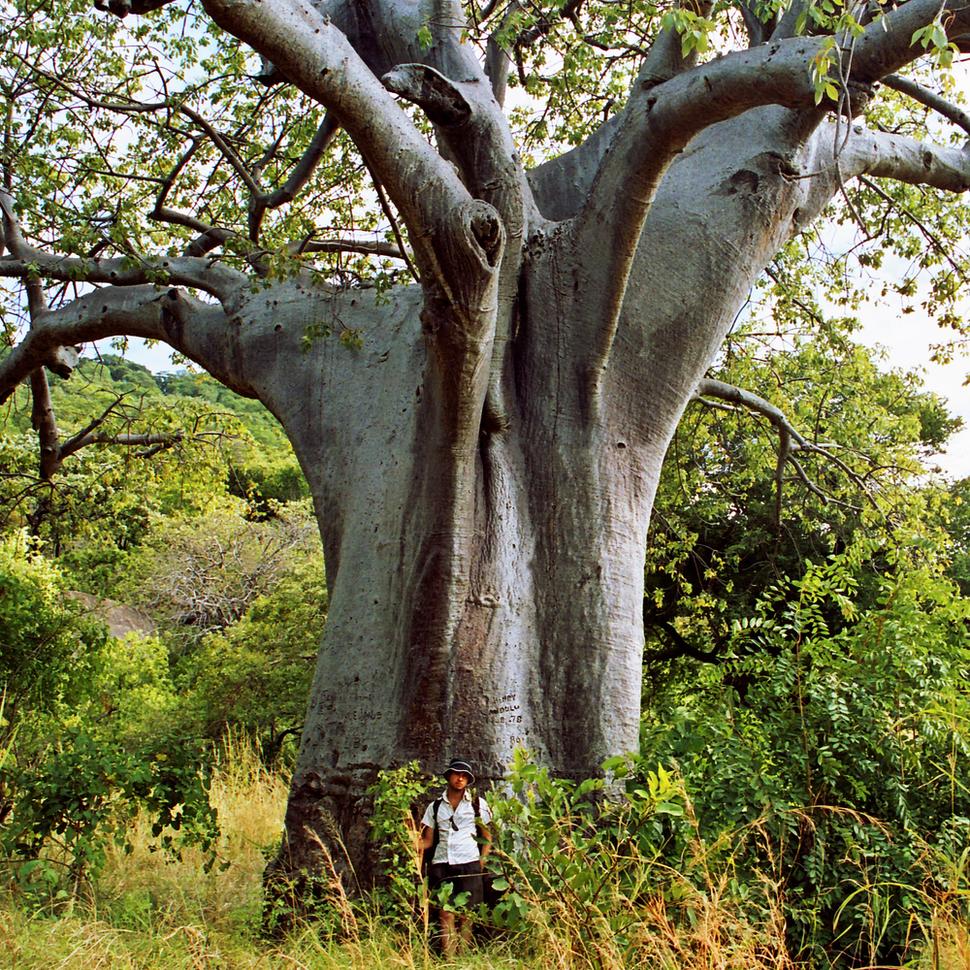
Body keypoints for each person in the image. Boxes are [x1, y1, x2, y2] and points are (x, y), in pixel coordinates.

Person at [419, 758, 491, 955]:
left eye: (465, 776)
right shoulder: (434, 807)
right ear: (448, 776)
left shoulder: (477, 804)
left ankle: (463, 957)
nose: (460, 779)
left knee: (467, 915)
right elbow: (428, 841)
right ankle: (450, 960)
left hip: (469, 862)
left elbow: (487, 836)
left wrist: (481, 862)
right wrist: (408, 842)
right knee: (445, 913)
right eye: (457, 774)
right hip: (442, 864)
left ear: (468, 781)